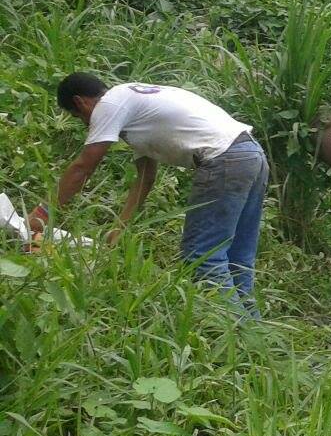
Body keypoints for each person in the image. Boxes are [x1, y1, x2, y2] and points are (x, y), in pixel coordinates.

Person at [29, 73, 268, 315]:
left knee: (202, 257)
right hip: (250, 153)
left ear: (81, 103)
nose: (85, 124)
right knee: (237, 255)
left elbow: (83, 167)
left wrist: (42, 213)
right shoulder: (132, 105)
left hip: (225, 159)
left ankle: (239, 335)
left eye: (78, 117)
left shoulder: (108, 105)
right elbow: (146, 177)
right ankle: (256, 335)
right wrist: (119, 227)